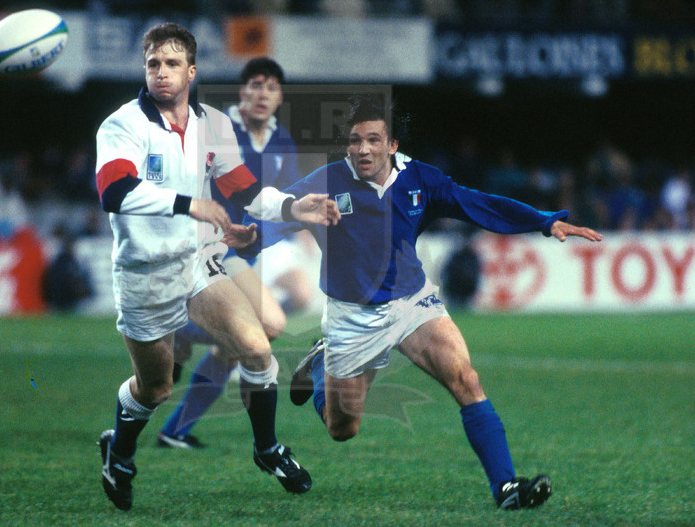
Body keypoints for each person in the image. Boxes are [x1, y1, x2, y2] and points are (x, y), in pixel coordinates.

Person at [232, 96, 603, 510]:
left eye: (374, 140)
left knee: (466, 380)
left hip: (412, 302)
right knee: (342, 428)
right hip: (351, 317)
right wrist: (249, 238)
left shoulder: (419, 180)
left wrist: (543, 220)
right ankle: (320, 367)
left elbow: (476, 203)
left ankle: (506, 488)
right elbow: (278, 216)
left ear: (392, 145)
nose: (363, 149)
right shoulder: (327, 181)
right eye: (355, 141)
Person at [94, 23, 340, 510]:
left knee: (257, 348)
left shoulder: (213, 125)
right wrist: (193, 205)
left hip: (197, 265)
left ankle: (267, 450)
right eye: (152, 64)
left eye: (170, 64)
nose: (160, 73)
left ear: (191, 71)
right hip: (143, 276)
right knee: (156, 387)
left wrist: (295, 209)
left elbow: (249, 191)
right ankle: (118, 452)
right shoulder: (122, 124)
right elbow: (114, 191)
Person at [157, 57, 313, 449]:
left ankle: (174, 431)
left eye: (271, 87)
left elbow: (286, 195)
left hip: (252, 243)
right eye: (255, 85)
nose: (262, 94)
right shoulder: (215, 129)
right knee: (268, 326)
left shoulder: (280, 140)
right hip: (212, 241)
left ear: (279, 98)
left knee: (237, 342)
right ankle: (180, 326)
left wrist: (303, 223)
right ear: (242, 92)